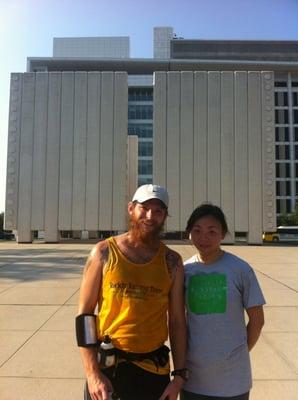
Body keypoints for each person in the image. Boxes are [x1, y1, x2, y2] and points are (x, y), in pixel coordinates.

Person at [76, 184, 187, 400]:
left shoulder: (172, 261)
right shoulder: (103, 252)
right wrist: (92, 374)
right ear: (131, 209)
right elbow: (85, 316)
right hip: (109, 370)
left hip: (154, 372)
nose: (150, 216)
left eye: (158, 211)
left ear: (165, 216)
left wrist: (179, 376)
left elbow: (176, 321)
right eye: (144, 208)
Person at [181, 203, 265, 400]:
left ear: (223, 234)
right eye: (197, 231)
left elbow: (257, 321)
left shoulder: (240, 269)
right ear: (189, 233)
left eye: (212, 231)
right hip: (193, 380)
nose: (204, 238)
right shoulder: (184, 271)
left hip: (233, 383)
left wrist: (238, 352)